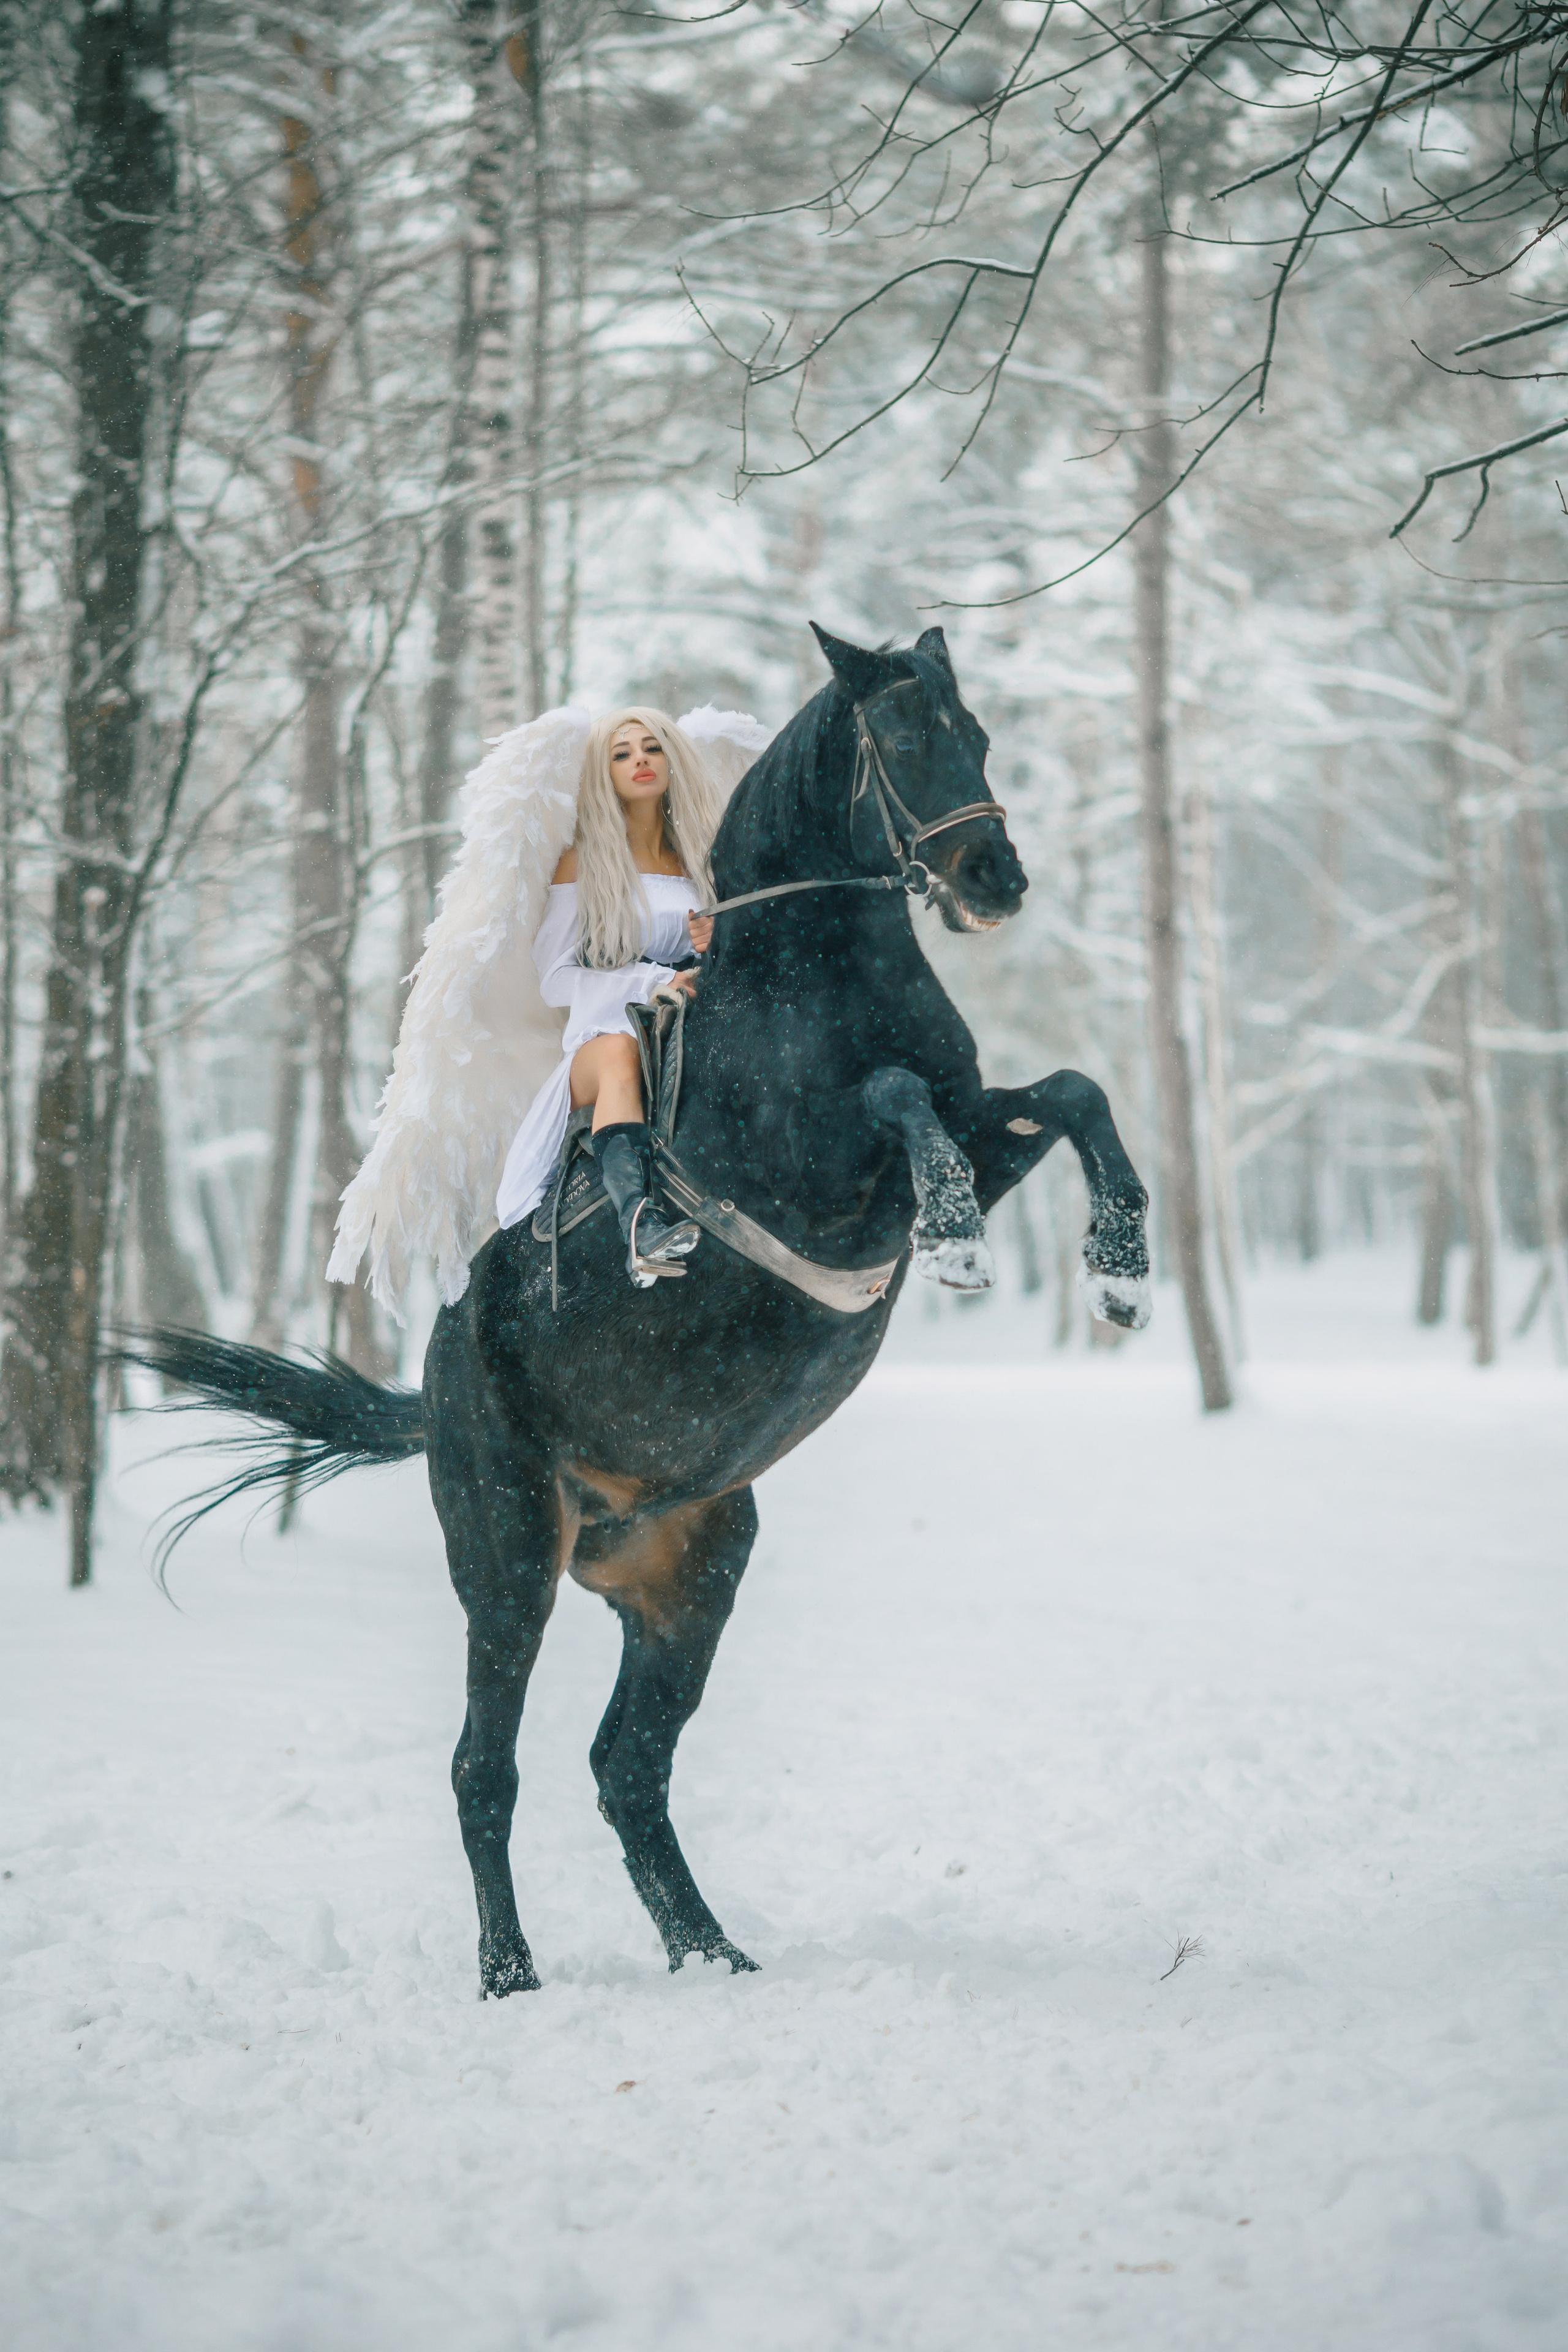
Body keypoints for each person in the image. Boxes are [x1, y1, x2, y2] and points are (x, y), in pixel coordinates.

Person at [494, 709, 724, 1286]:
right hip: (603, 1039)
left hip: (692, 1026)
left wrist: (718, 947)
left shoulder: (702, 863)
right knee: (622, 1049)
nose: (640, 760)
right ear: (604, 774)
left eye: (652, 748)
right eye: (622, 754)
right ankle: (641, 1226)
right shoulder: (583, 863)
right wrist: (650, 983)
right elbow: (555, 979)